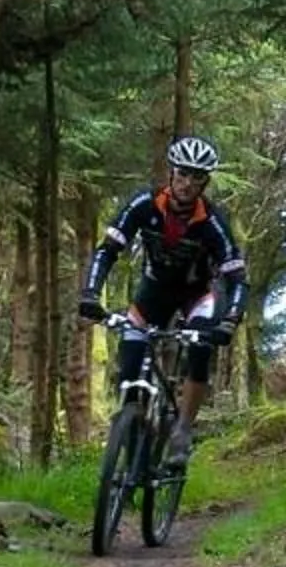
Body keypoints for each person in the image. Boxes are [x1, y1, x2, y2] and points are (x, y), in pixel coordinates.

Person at [77, 136, 246, 463]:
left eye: (197, 177)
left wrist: (230, 320)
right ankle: (133, 440)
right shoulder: (143, 203)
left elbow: (236, 277)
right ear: (172, 173)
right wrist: (90, 294)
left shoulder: (213, 222)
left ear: (205, 182)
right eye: (182, 173)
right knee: (129, 369)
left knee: (199, 351)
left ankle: (183, 428)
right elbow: (108, 250)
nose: (187, 182)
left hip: (197, 296)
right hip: (153, 291)